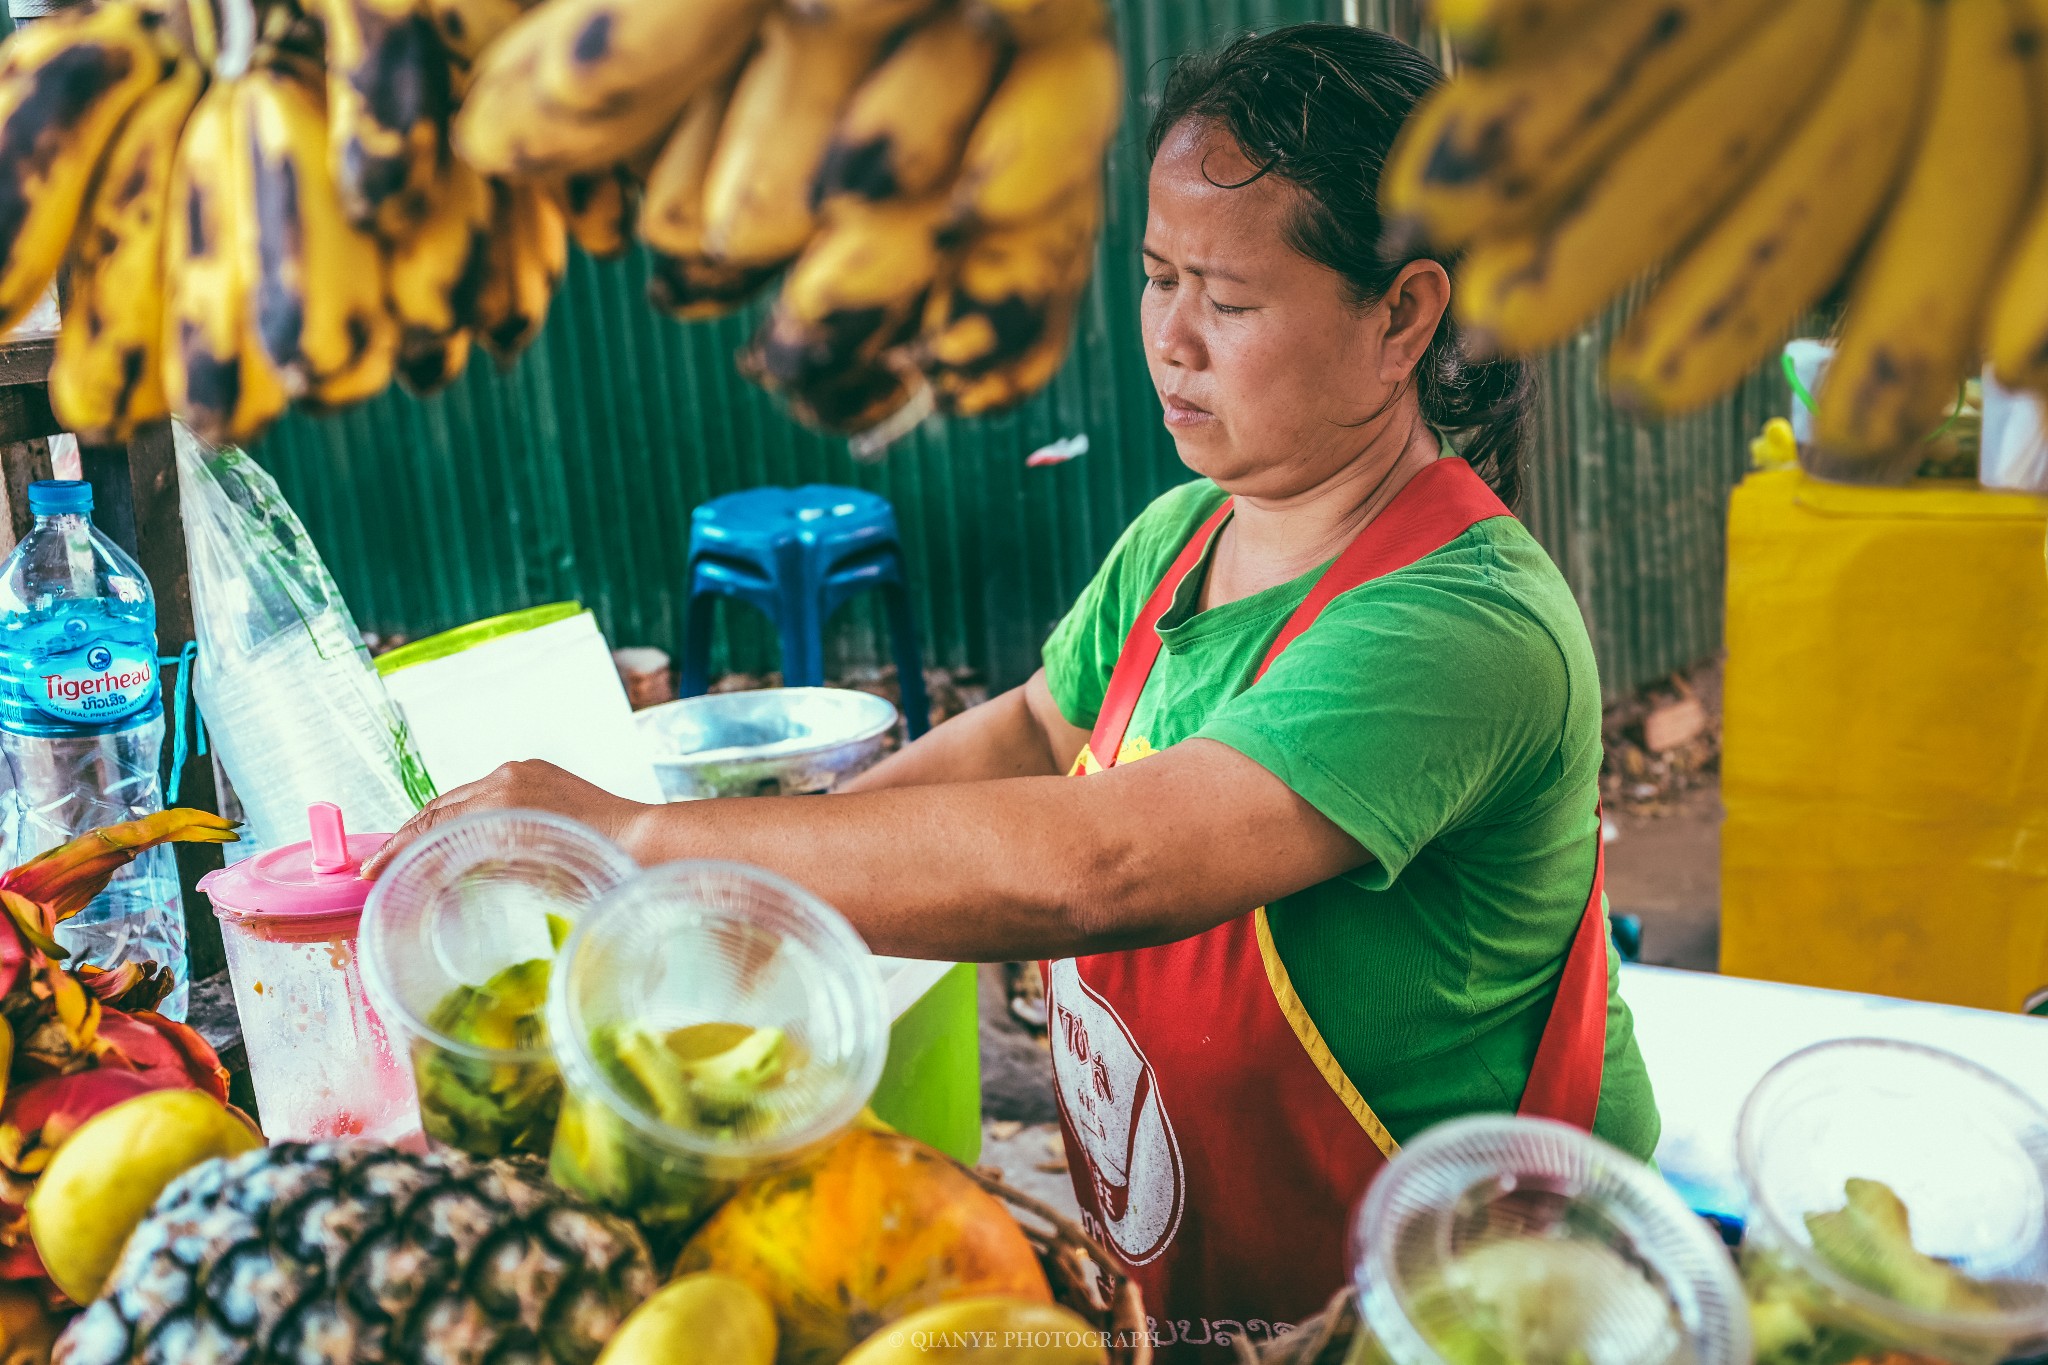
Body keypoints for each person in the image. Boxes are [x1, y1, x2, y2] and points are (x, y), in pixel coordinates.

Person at [364, 22, 1658, 1353]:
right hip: (1211, 1309)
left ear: (1403, 315)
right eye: (1156, 278)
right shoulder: (1182, 540)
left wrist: (640, 838)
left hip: (1476, 1314)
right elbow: (1036, 734)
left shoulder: (1465, 628)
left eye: (1230, 299)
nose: (1171, 339)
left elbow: (1106, 860)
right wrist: (740, 907)